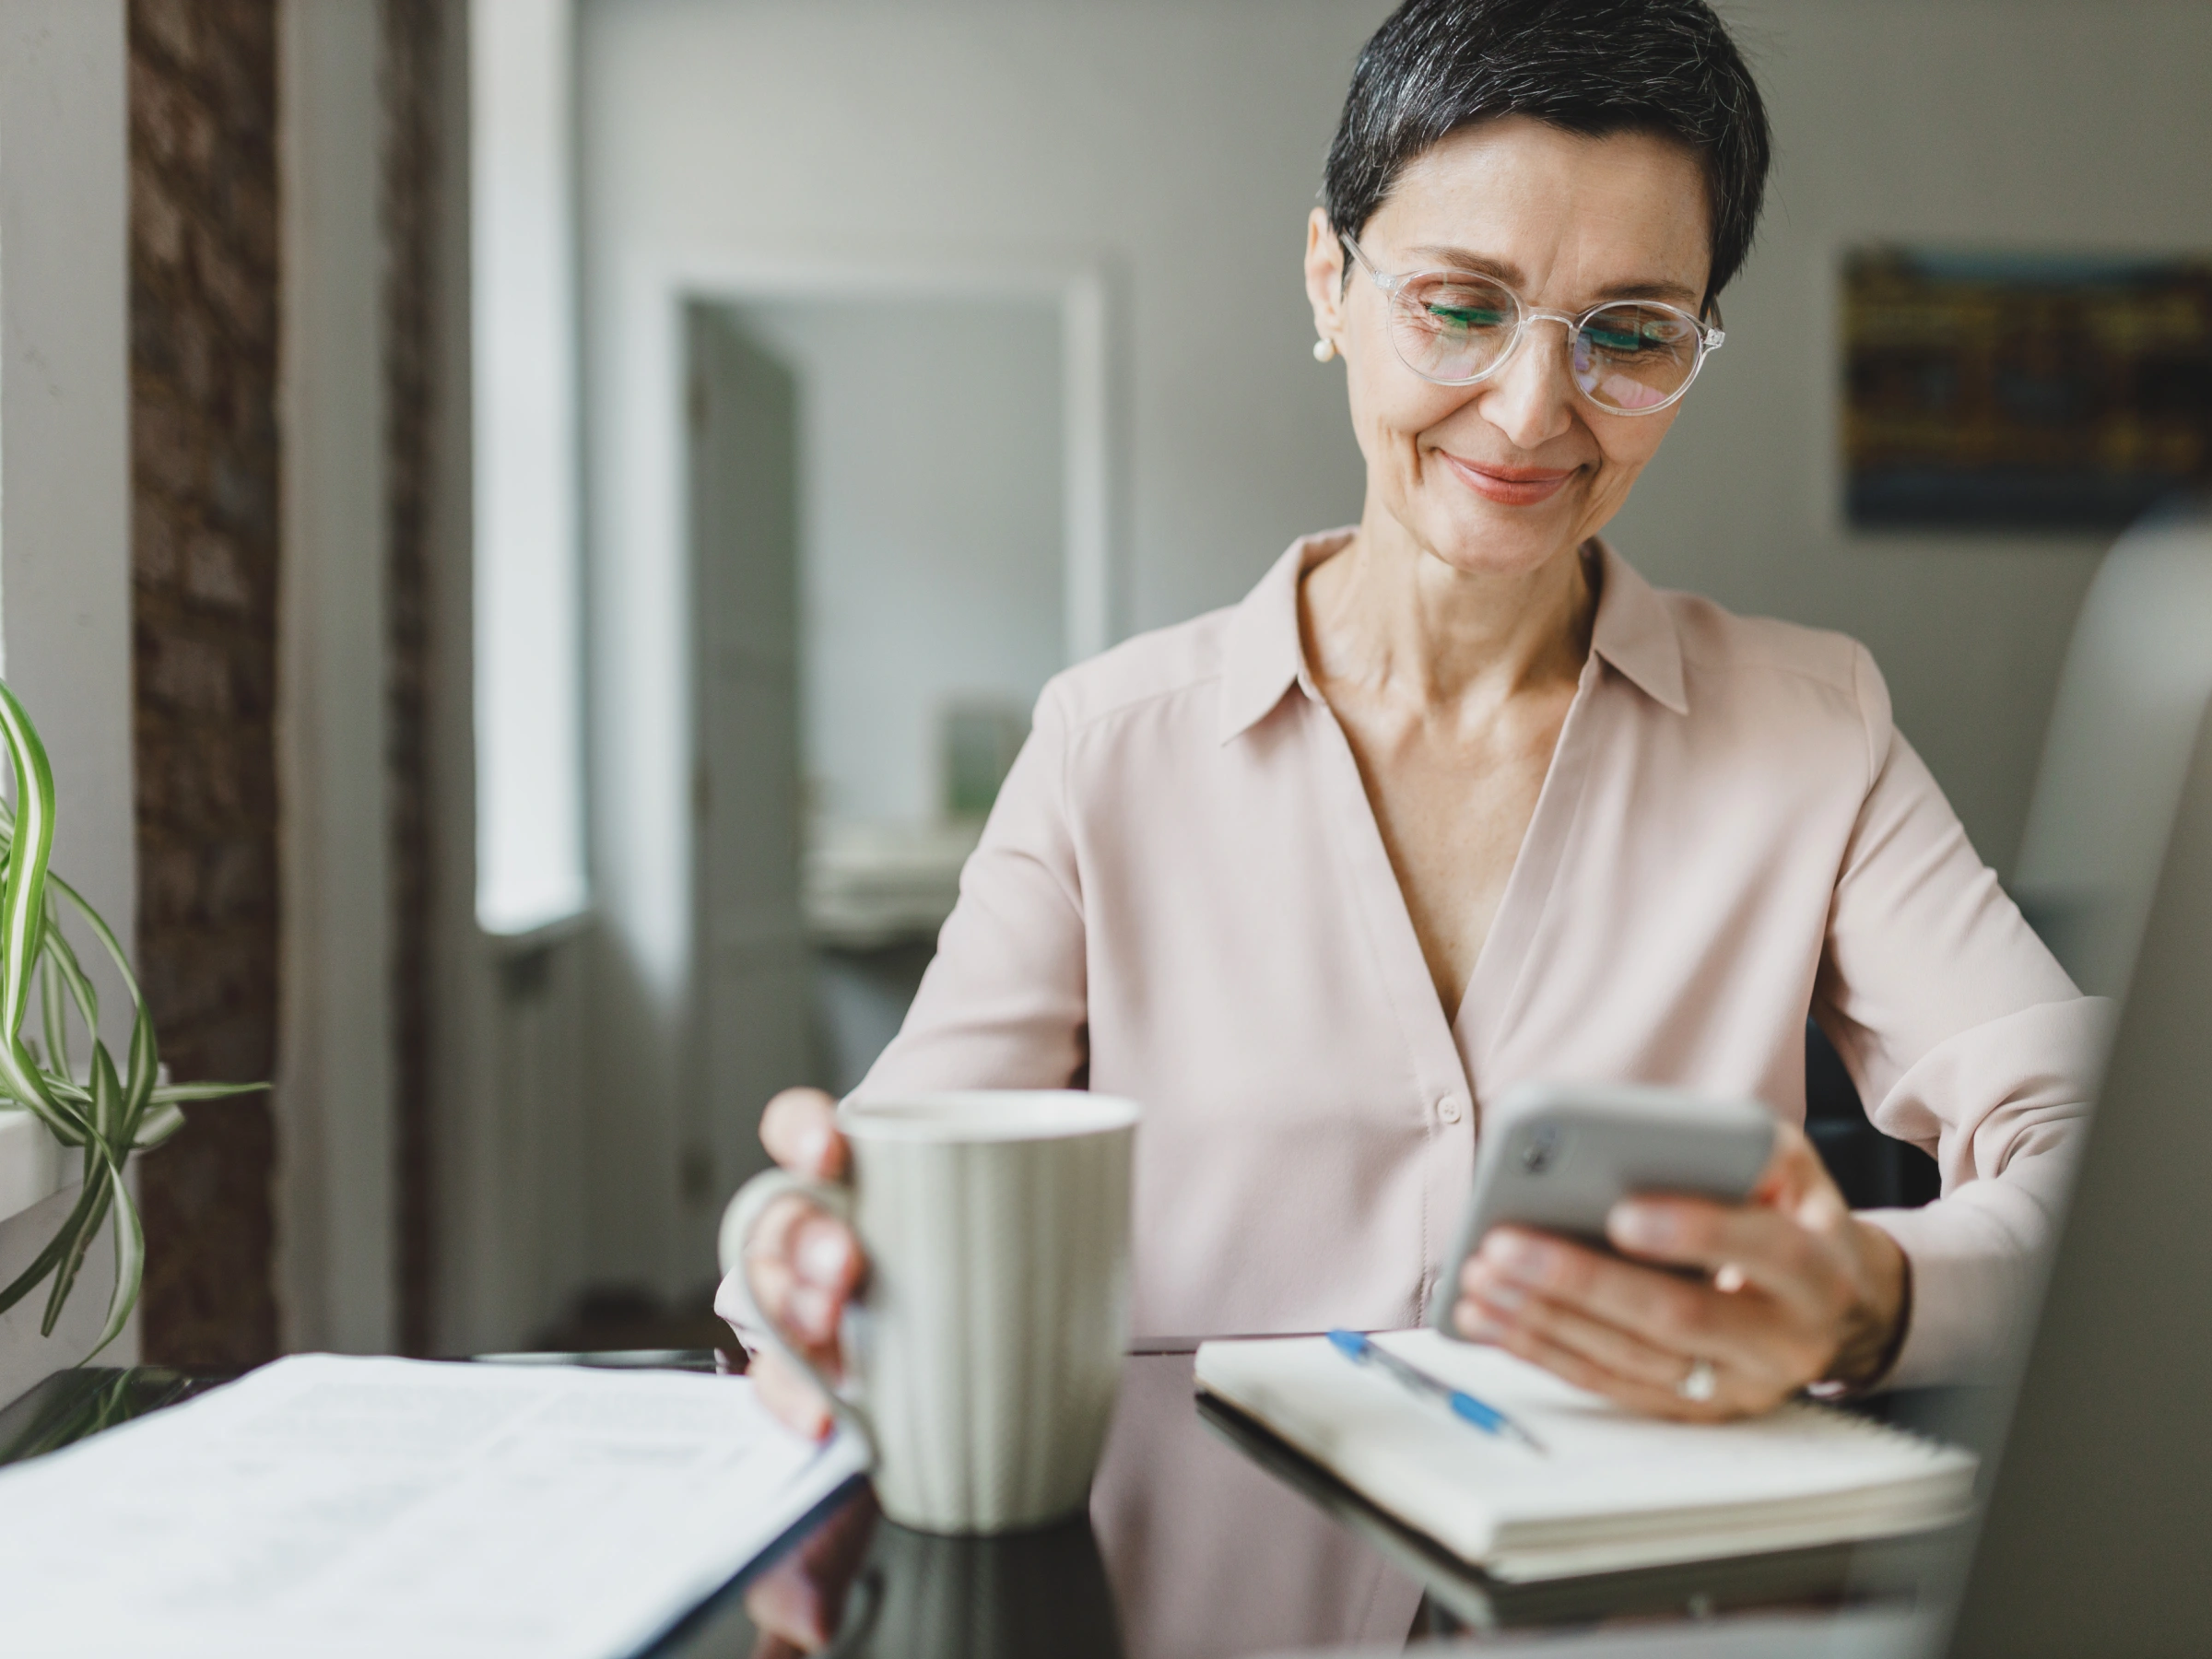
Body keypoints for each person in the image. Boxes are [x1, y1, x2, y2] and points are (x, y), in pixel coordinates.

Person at [721, 0, 2108, 1439]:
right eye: (1460, 307)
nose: (1526, 413)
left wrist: (1870, 1294)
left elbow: (2112, 1158)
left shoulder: (1814, 731)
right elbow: (865, 1196)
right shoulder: (1107, 748)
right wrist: (801, 1253)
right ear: (1330, 279)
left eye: (1629, 335)